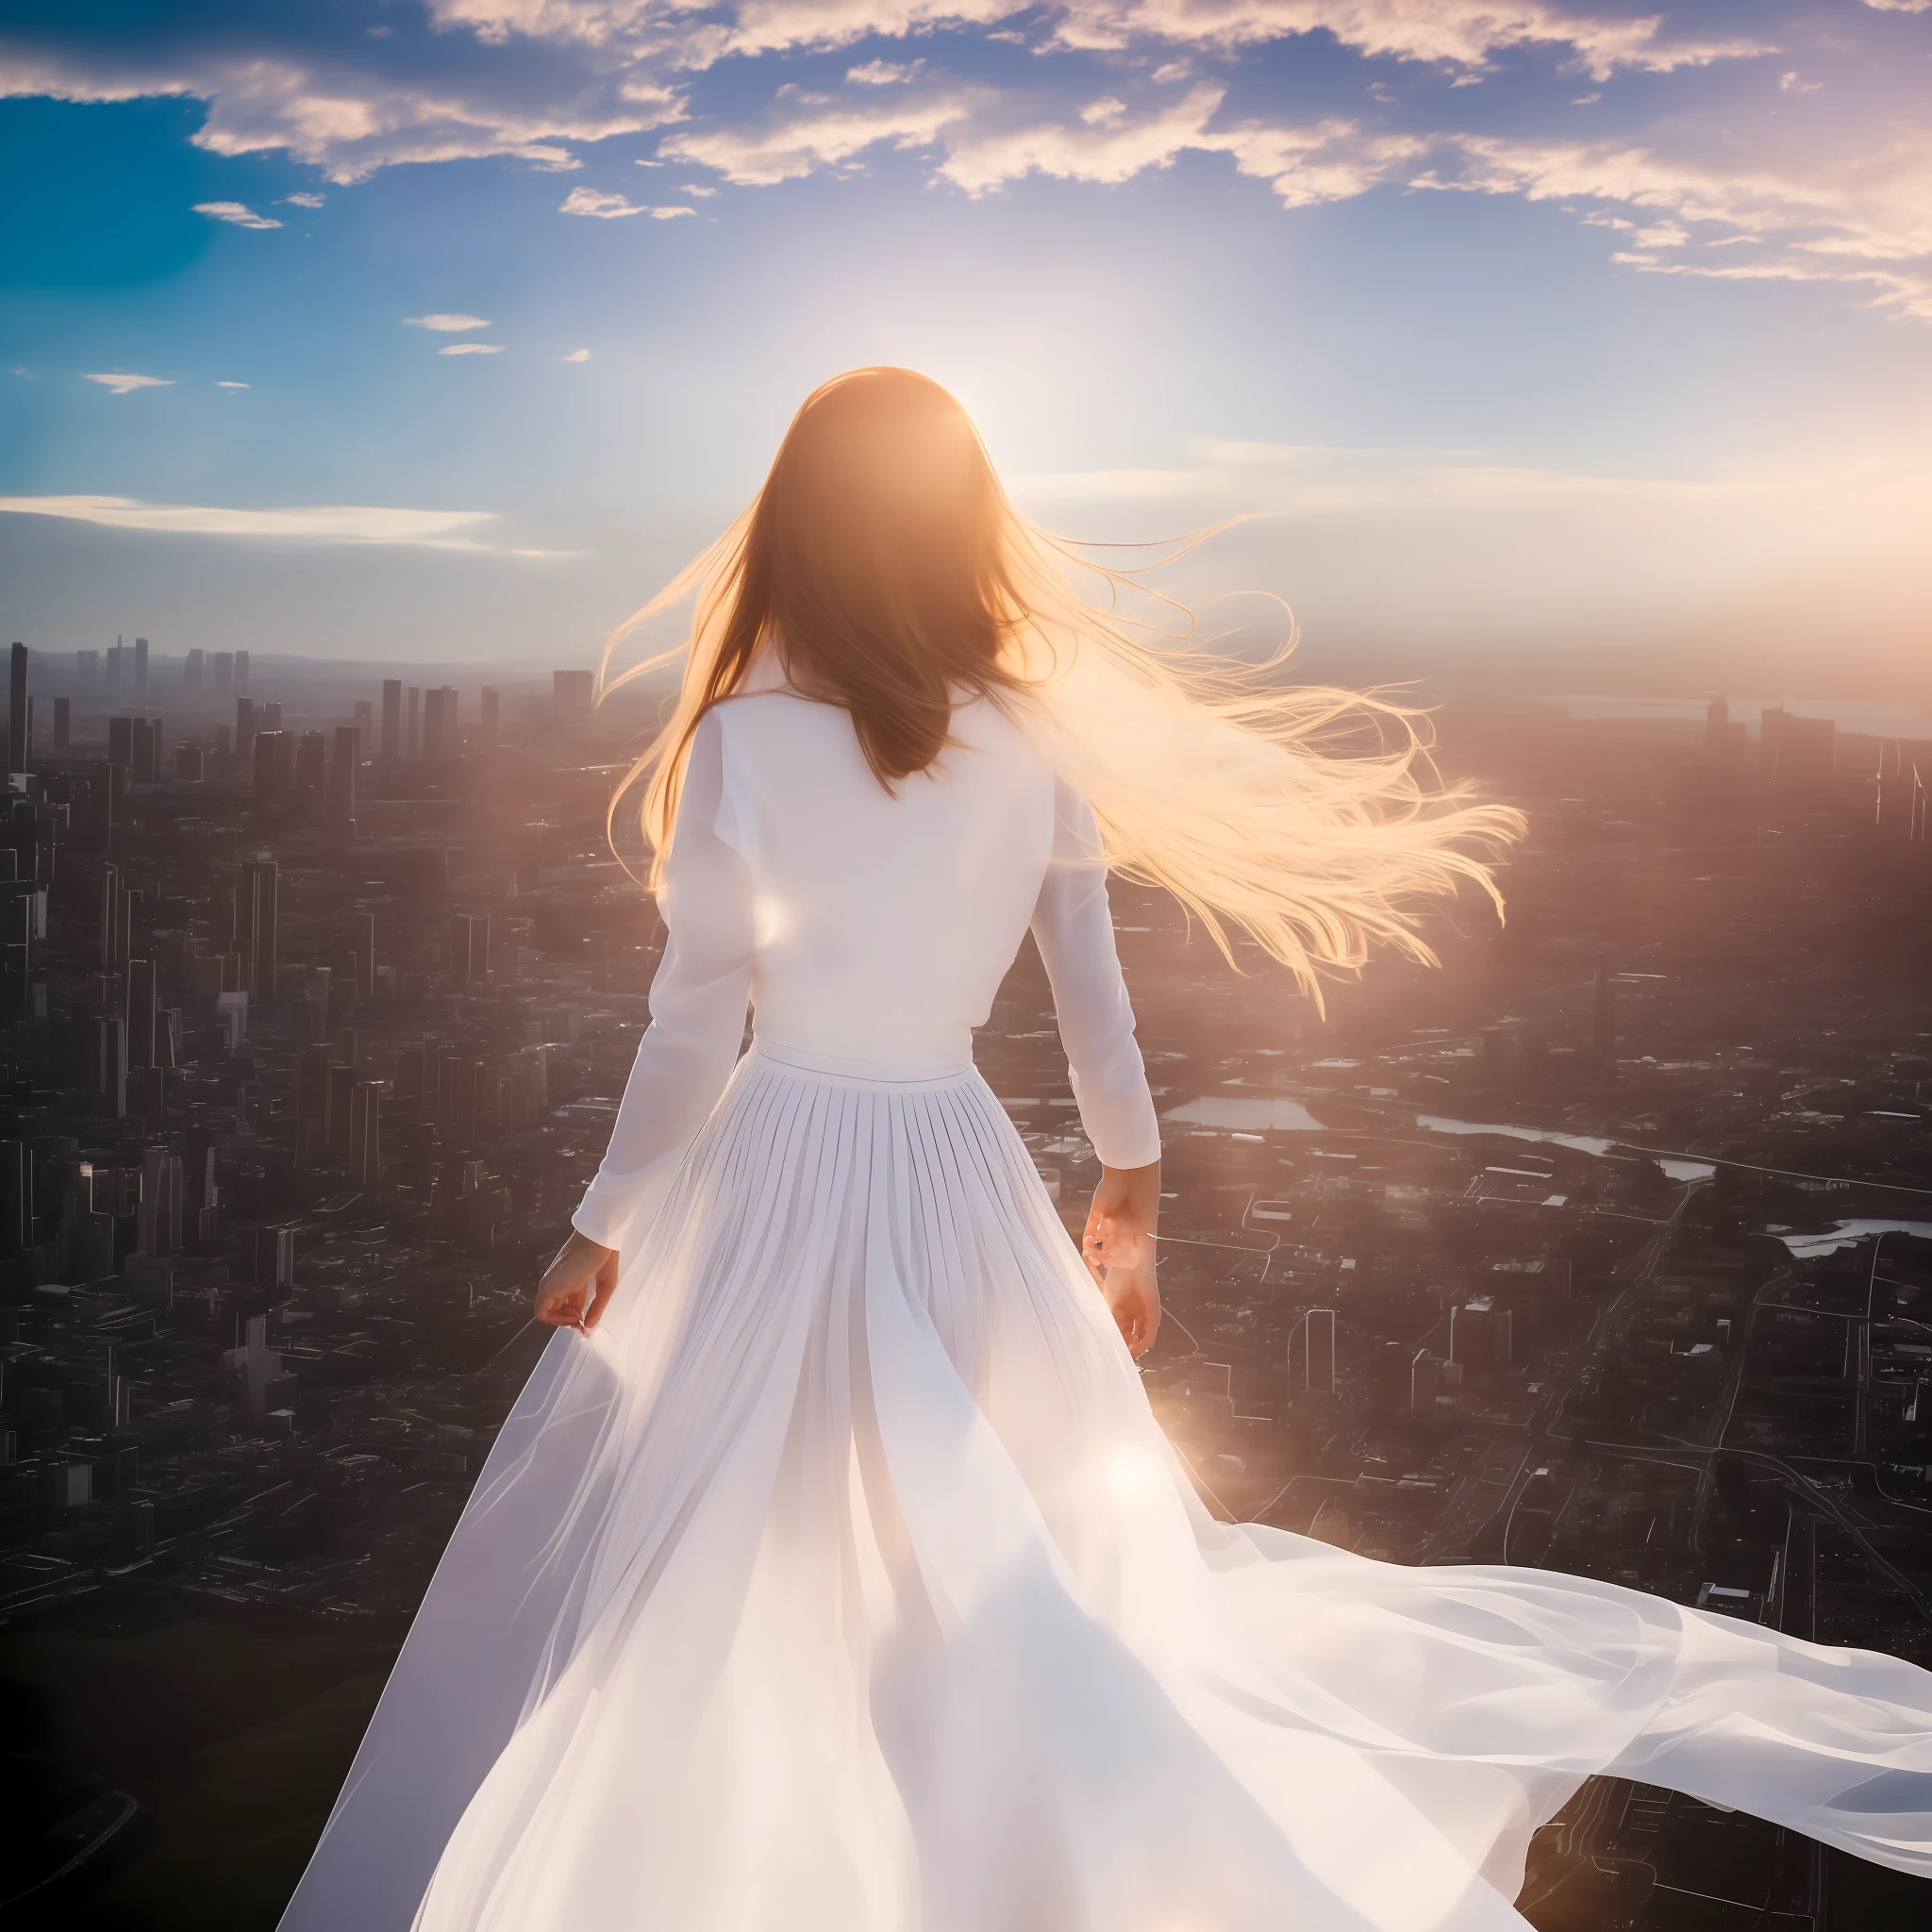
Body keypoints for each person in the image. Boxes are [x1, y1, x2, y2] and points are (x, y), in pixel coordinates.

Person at [280, 371, 1931, 1932]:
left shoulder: (737, 737)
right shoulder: (1029, 733)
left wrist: (602, 1222)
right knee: (1020, 1593)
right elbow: (1091, 997)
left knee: (718, 1584)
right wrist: (1129, 1201)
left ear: (790, 524)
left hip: (774, 1175)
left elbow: (693, 1023)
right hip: (960, 1171)